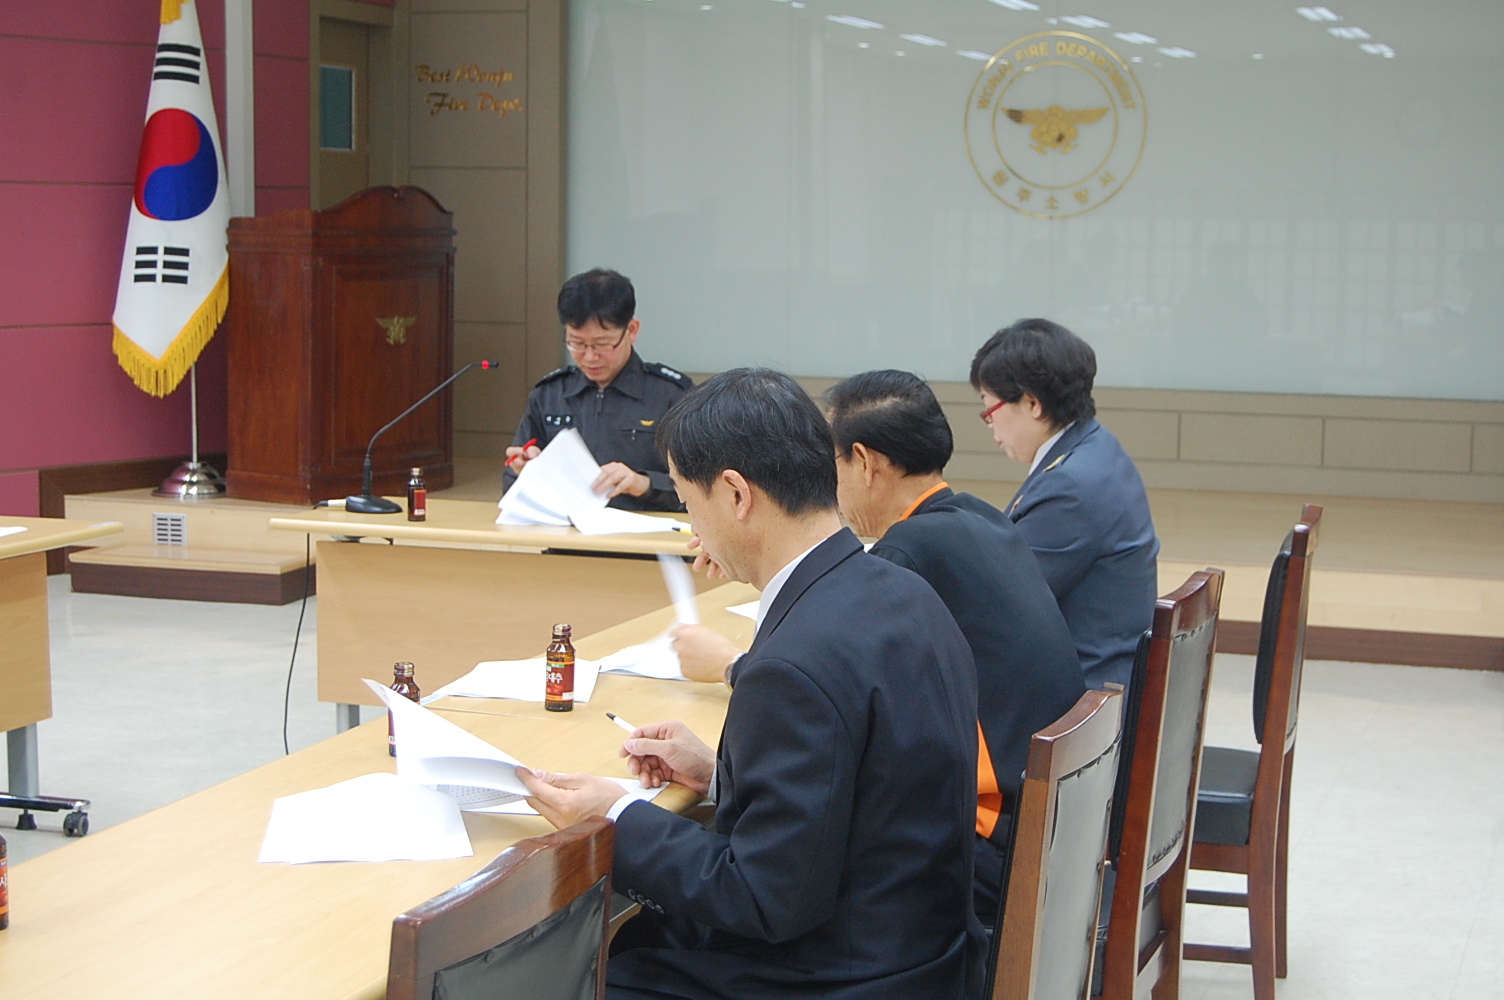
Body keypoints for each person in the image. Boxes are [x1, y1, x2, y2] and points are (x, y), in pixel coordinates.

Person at [519, 368, 983, 1000]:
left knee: (577, 975)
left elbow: (763, 898)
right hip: (924, 949)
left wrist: (616, 814)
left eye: (690, 502)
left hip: (839, 976)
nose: (693, 529)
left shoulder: (792, 663)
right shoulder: (905, 591)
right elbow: (868, 788)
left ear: (737, 494)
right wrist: (722, 777)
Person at [970, 318, 1159, 689]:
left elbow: (997, 605)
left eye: (989, 410)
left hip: (1084, 699)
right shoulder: (1098, 446)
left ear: (1032, 403)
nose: (989, 425)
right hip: (1110, 672)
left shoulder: (1069, 487)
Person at [503, 268, 691, 511]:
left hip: (644, 530)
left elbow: (706, 490)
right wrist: (525, 471)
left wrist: (645, 484)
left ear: (632, 330)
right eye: (577, 343)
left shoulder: (672, 396)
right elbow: (511, 485)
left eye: (602, 344)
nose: (590, 357)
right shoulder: (549, 394)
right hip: (565, 531)